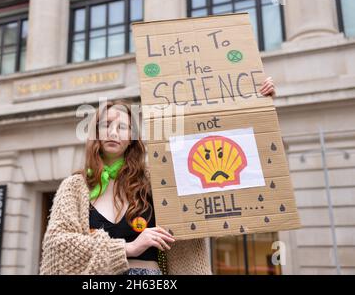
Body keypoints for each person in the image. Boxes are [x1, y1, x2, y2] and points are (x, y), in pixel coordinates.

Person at [39, 78, 276, 275]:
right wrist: (128, 248)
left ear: (133, 136)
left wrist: (253, 102)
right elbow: (57, 245)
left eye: (122, 127)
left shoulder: (155, 180)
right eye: (106, 125)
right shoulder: (74, 186)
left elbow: (212, 149)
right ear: (95, 133)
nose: (113, 132)